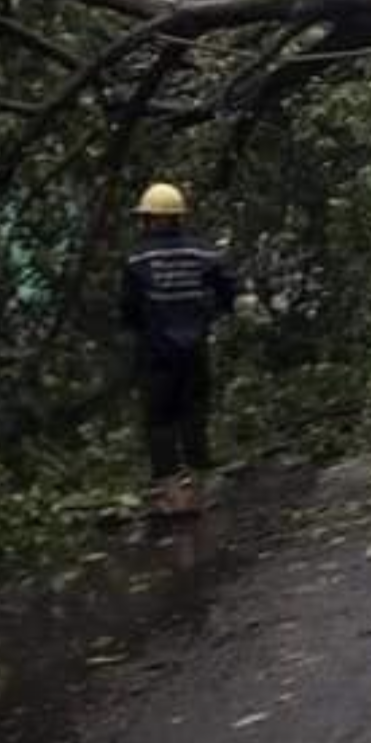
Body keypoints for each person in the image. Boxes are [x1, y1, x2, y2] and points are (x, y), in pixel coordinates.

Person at [121, 183, 238, 516]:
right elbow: (228, 286)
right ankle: (197, 488)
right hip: (195, 346)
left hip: (157, 351)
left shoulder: (138, 257)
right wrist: (213, 315)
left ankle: (171, 495)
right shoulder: (203, 252)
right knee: (194, 414)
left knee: (159, 420)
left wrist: (140, 329)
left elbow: (128, 306)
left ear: (151, 219)